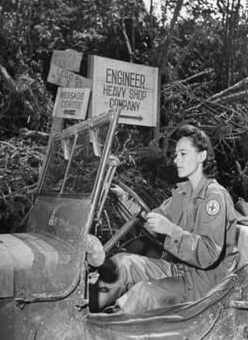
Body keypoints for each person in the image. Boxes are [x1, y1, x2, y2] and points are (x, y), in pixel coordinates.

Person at [96, 124, 239, 314]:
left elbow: (208, 254)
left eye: (183, 154)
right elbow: (152, 220)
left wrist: (171, 230)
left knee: (144, 293)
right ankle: (79, 307)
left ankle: (107, 332)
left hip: (207, 284)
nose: (176, 160)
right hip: (182, 271)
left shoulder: (214, 197)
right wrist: (126, 202)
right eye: (175, 154)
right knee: (123, 264)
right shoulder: (183, 194)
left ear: (202, 156)